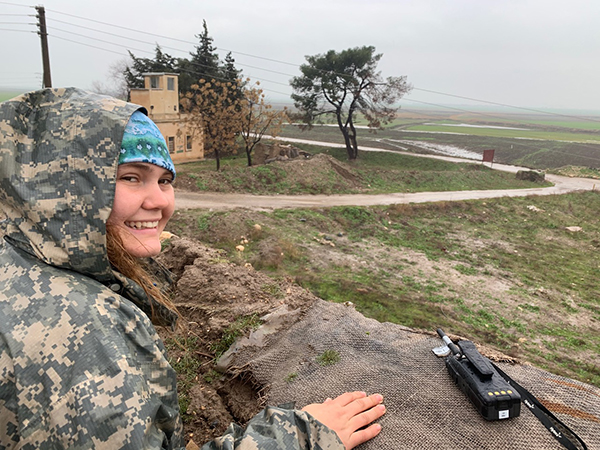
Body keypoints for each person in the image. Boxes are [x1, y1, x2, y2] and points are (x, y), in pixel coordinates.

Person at [0, 88, 385, 449]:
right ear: (61, 190)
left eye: (165, 180)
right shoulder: (82, 329)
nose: (159, 201)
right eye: (130, 177)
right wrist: (298, 436)